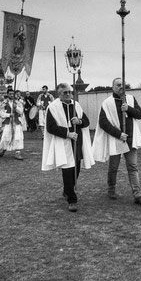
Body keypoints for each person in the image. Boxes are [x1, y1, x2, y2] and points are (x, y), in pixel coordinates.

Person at [92, 77, 141, 205]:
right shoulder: (107, 103)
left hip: (130, 138)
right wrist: (118, 134)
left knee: (133, 167)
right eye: (118, 85)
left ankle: (137, 193)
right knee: (113, 167)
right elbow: (103, 122)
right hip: (116, 139)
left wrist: (128, 109)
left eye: (122, 85)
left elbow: (140, 114)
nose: (121, 87)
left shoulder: (130, 99)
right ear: (113, 87)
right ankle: (111, 189)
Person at [42, 83, 94, 212]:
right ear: (58, 94)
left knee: (75, 169)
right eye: (65, 92)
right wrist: (67, 133)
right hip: (63, 143)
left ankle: (67, 190)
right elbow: (51, 127)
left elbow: (87, 121)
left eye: (70, 92)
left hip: (77, 142)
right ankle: (72, 200)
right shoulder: (52, 108)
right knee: (67, 171)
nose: (68, 94)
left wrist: (79, 121)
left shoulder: (76, 105)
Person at [0, 89, 24, 160]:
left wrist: (16, 107)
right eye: (10, 94)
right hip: (8, 123)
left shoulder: (18, 102)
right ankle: (4, 149)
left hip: (16, 122)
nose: (12, 95)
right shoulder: (4, 103)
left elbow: (21, 112)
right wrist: (9, 115)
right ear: (7, 94)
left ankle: (17, 153)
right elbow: (1, 113)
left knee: (17, 137)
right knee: (6, 137)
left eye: (13, 94)